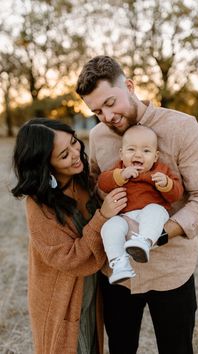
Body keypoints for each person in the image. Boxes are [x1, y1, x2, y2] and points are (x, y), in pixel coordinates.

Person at [75, 55, 198, 354]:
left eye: (111, 103)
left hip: (172, 270)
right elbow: (92, 185)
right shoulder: (97, 136)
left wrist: (160, 233)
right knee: (120, 347)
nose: (106, 116)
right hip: (115, 271)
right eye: (97, 111)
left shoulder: (182, 127)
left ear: (129, 86)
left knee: (176, 348)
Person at [11, 117, 127, 354]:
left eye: (74, 142)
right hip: (61, 298)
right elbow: (68, 257)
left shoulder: (82, 180)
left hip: (91, 287)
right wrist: (102, 216)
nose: (76, 153)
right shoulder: (38, 205)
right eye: (64, 155)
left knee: (92, 345)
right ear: (45, 165)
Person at [98, 125, 184, 284]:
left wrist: (167, 184)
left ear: (156, 156)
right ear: (121, 154)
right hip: (125, 217)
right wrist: (121, 175)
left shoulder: (161, 171)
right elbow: (103, 183)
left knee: (154, 211)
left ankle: (144, 241)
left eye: (146, 151)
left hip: (152, 214)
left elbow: (176, 195)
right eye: (131, 150)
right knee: (109, 227)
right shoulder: (119, 169)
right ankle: (119, 263)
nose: (138, 154)